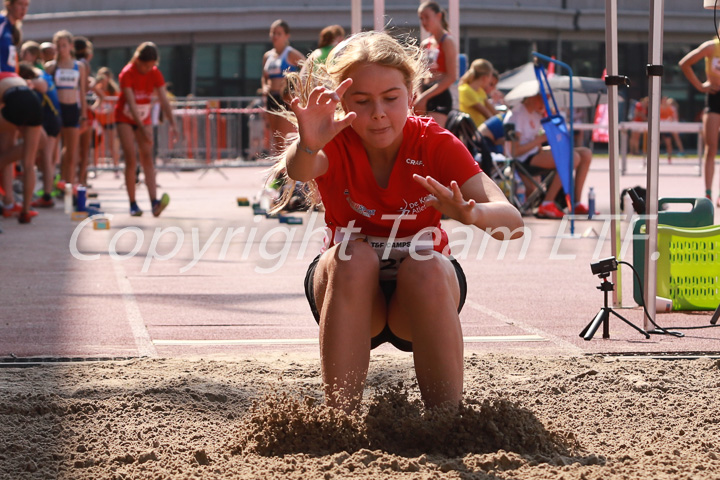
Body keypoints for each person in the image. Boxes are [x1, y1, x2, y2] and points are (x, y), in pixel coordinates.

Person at [273, 31, 523, 413]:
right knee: (354, 258)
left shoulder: (435, 143)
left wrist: (472, 214)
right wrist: (307, 142)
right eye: (362, 100)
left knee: (423, 266)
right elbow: (301, 168)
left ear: (411, 93)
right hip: (349, 291)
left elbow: (512, 223)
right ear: (342, 101)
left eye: (390, 99)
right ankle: (338, 419)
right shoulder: (332, 138)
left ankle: (446, 421)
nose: (378, 113)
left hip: (421, 294)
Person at [503, 93, 593, 218]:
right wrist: (540, 140)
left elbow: (537, 142)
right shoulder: (516, 115)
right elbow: (515, 151)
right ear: (531, 97)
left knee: (585, 153)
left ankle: (576, 203)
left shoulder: (536, 113)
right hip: (522, 158)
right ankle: (547, 203)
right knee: (572, 158)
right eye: (543, 97)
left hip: (535, 152)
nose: (547, 101)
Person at [114, 41, 176, 217]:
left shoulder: (155, 73)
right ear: (138, 60)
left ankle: (154, 202)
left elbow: (164, 99)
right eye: (145, 66)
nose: (148, 69)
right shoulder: (127, 73)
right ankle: (133, 203)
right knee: (131, 158)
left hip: (144, 116)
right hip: (125, 118)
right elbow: (131, 104)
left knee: (148, 156)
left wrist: (173, 123)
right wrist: (142, 128)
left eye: (151, 66)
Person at [44, 29, 88, 189]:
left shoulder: (79, 66)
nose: (61, 48)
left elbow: (81, 91)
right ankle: (52, 185)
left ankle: (70, 186)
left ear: (70, 46)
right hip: (56, 111)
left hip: (72, 110)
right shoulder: (51, 67)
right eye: (58, 45)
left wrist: (84, 114)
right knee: (51, 152)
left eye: (64, 45)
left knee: (71, 152)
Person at [679, 36, 720, 204]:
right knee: (711, 148)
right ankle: (708, 193)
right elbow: (684, 63)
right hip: (714, 97)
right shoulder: (712, 47)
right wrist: (700, 85)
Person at [0, 71, 43, 223]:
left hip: (15, 103)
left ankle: (2, 161)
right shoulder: (16, 78)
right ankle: (25, 211)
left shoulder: (3, 80)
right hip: (34, 103)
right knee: (29, 164)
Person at [261, 19, 303, 155]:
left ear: (287, 36)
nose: (275, 36)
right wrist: (264, 87)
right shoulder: (268, 56)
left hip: (285, 97)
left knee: (285, 137)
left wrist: (295, 85)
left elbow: (307, 66)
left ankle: (287, 169)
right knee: (276, 137)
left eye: (279, 33)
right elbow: (264, 76)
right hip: (271, 97)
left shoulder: (291, 53)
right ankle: (280, 171)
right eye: (273, 33)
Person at [415, 1, 457, 127]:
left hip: (439, 94)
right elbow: (420, 74)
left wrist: (424, 97)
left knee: (432, 137)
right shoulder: (425, 43)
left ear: (438, 16)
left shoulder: (447, 41)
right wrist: (419, 95)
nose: (424, 22)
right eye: (421, 18)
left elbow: (451, 76)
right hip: (424, 93)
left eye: (427, 17)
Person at [92, 66, 120, 178]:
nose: (103, 79)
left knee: (112, 145)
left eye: (106, 77)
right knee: (96, 145)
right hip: (98, 120)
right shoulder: (96, 88)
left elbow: (117, 104)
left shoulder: (114, 91)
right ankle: (94, 168)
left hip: (110, 120)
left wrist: (111, 109)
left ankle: (116, 168)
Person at [458, 58, 496, 128]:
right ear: (485, 77)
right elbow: (487, 114)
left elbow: (493, 112)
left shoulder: (480, 91)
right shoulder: (465, 90)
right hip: (472, 133)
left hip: (480, 131)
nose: (490, 80)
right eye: (490, 76)